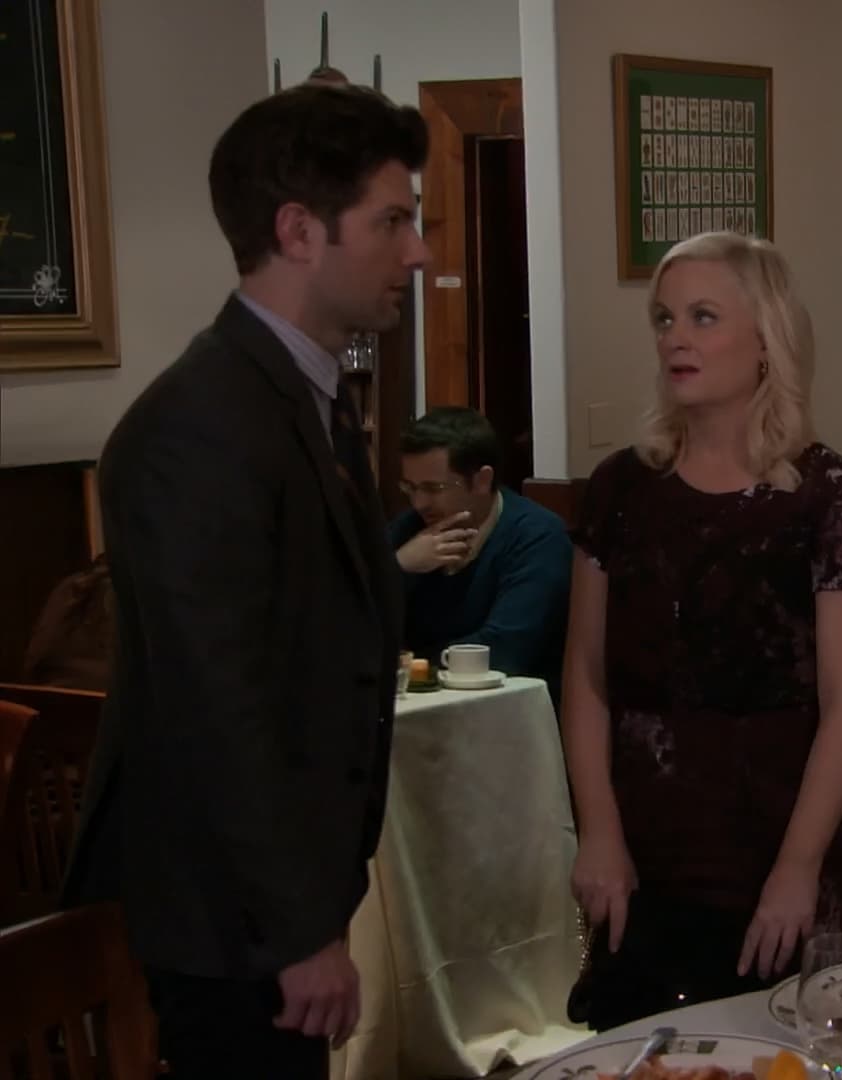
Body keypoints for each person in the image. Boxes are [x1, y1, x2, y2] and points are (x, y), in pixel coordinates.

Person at [63, 83, 425, 1078]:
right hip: (224, 925)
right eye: (392, 221)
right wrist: (298, 932)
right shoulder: (200, 424)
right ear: (299, 231)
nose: (416, 253)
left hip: (268, 908)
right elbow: (215, 706)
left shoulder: (302, 395)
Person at [561, 232, 842, 1030]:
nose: (676, 337)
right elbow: (587, 677)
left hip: (772, 847)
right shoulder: (620, 488)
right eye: (664, 318)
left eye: (703, 317)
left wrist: (798, 866)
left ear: (766, 338)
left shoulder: (827, 495)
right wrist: (597, 831)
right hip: (642, 854)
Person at [388, 406, 572, 692]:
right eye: (410, 487)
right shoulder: (408, 529)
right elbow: (357, 627)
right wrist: (397, 567)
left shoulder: (538, 536)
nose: (418, 503)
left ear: (482, 480)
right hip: (424, 702)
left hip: (508, 707)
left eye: (434, 488)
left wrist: (408, 665)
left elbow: (506, 650)